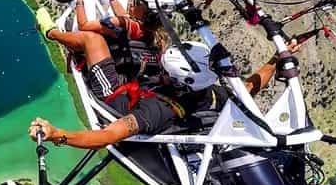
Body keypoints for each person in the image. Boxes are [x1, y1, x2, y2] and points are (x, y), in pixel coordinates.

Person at [28, 39, 301, 149]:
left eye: (168, 74)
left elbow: (107, 136)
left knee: (93, 41)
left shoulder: (157, 110)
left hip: (114, 96)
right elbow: (250, 87)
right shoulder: (211, 95)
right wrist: (276, 59)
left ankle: (52, 32)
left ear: (180, 84)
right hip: (140, 93)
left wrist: (56, 134)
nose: (163, 73)